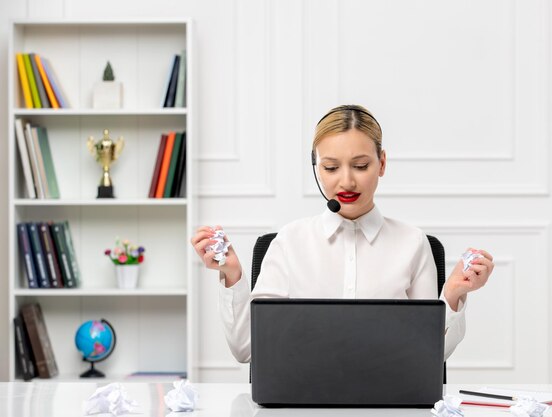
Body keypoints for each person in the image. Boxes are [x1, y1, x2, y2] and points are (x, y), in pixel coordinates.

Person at [191, 104, 495, 363]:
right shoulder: (289, 242)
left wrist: (453, 295)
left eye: (360, 165)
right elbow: (246, 349)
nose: (346, 181)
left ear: (382, 163)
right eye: (331, 167)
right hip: (303, 404)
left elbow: (429, 354)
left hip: (388, 404)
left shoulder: (412, 243)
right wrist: (231, 274)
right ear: (316, 168)